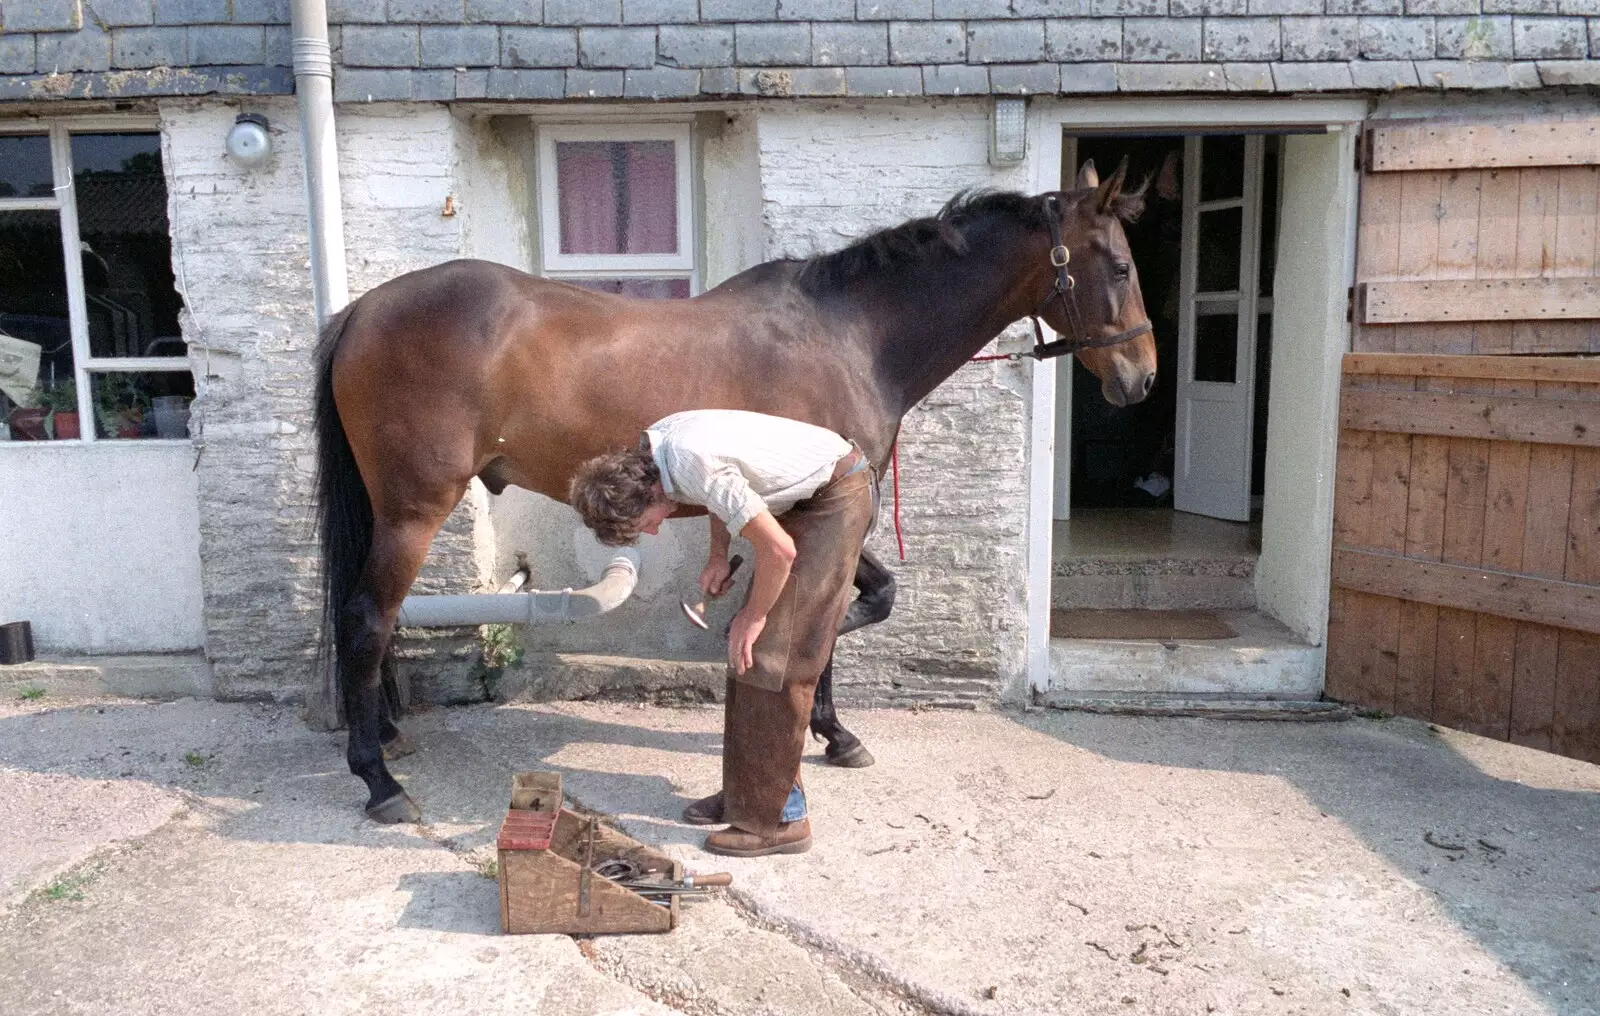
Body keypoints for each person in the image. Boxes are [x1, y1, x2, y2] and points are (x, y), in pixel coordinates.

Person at [569, 410, 878, 857]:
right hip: (805, 498)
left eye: (645, 524)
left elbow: (779, 549)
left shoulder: (690, 460)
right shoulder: (659, 455)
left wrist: (753, 616)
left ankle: (781, 820)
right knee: (744, 653)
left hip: (836, 496)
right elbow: (725, 496)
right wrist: (718, 554)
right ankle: (748, 797)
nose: (655, 529)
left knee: (774, 655)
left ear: (647, 495)